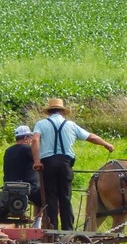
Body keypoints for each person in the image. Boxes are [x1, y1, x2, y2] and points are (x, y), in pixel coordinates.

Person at [31, 98, 114, 230]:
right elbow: (90, 137)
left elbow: (35, 140)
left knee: (50, 198)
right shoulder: (71, 125)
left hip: (48, 165)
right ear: (63, 112)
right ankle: (67, 231)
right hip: (65, 164)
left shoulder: (41, 124)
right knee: (65, 198)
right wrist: (106, 144)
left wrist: (37, 161)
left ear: (49, 112)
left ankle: (51, 230)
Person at [3, 125, 41, 215]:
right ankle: (38, 224)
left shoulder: (8, 151)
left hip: (9, 188)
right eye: (30, 137)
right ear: (25, 138)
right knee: (46, 197)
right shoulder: (29, 149)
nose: (31, 140)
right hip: (28, 189)